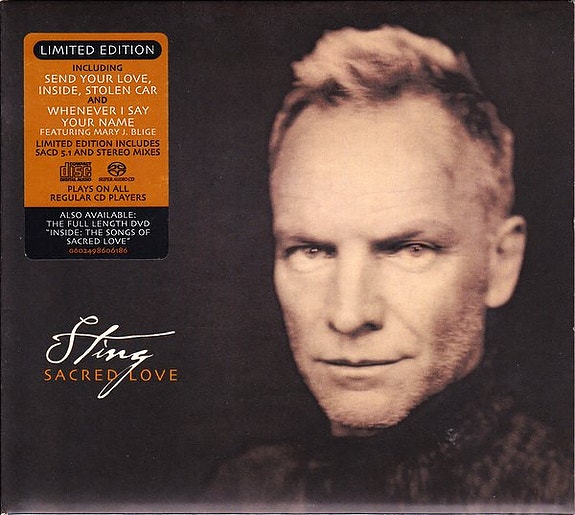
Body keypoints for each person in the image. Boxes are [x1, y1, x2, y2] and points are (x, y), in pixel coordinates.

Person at [206, 25, 573, 509]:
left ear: (501, 261)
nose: (349, 315)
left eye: (409, 250)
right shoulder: (245, 491)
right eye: (311, 251)